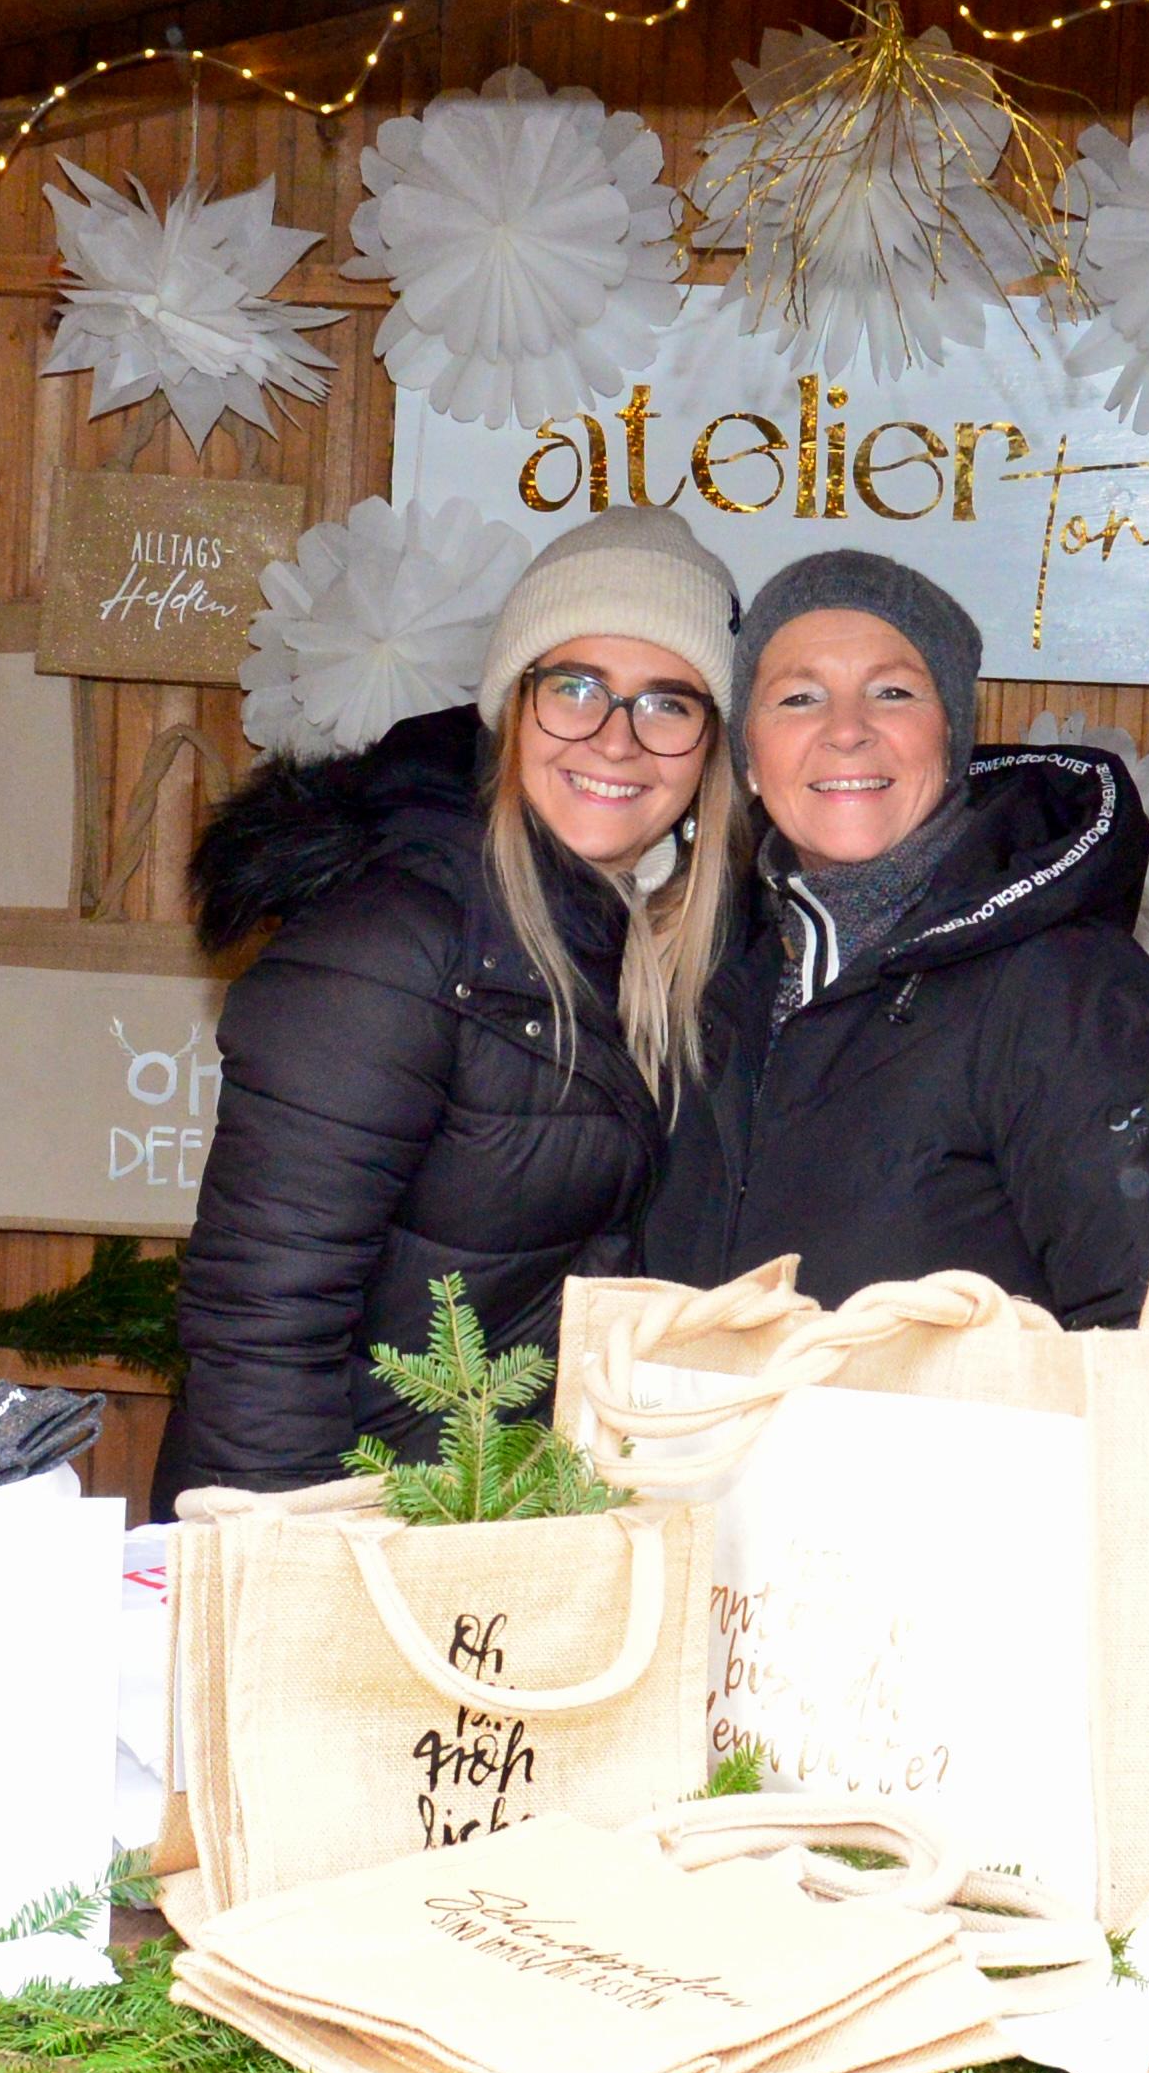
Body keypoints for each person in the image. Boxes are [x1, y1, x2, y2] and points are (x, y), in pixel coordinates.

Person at [162, 509, 742, 1509]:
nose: (616, 738)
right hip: (357, 1525)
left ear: (707, 751)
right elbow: (263, 1319)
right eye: (575, 687)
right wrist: (306, 1561)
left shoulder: (672, 942)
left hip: (513, 1528)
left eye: (668, 703)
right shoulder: (391, 940)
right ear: (512, 704)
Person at [644, 550, 1149, 1323]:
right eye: (799, 697)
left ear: (952, 738)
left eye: (892, 692)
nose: (847, 730)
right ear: (749, 756)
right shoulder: (696, 967)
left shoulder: (1061, 985)